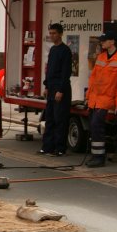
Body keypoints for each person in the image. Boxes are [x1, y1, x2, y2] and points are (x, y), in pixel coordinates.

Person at [86, 31, 117, 168]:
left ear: (112, 42)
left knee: (96, 126)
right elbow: (93, 78)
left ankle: (99, 157)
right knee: (93, 127)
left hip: (106, 99)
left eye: (104, 41)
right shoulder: (101, 57)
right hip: (95, 99)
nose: (101, 43)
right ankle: (96, 156)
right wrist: (88, 97)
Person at [40, 23, 72, 156]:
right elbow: (49, 70)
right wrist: (46, 86)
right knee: (50, 118)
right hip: (51, 88)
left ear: (60, 34)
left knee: (60, 120)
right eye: (50, 33)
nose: (52, 36)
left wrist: (61, 90)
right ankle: (47, 147)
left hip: (60, 90)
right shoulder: (53, 50)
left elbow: (66, 72)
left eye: (54, 33)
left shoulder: (65, 51)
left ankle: (60, 148)